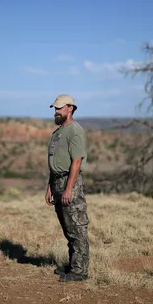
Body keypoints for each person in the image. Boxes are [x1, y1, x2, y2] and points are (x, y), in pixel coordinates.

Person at [45, 94, 90, 282]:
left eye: (59, 108)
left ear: (70, 108)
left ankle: (80, 271)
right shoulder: (58, 132)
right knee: (67, 228)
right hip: (57, 182)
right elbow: (54, 161)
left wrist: (69, 188)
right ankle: (73, 266)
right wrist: (50, 186)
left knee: (77, 228)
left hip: (69, 182)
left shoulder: (75, 131)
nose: (56, 111)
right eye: (55, 108)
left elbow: (76, 162)